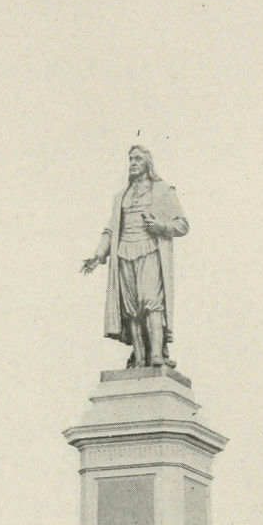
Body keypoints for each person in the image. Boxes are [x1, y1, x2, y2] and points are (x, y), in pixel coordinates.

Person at [81, 145, 189, 369]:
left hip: (149, 250)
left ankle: (157, 355)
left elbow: (182, 224)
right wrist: (98, 255)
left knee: (151, 304)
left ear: (148, 163)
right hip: (124, 254)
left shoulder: (162, 191)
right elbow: (111, 229)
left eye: (138, 159)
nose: (132, 163)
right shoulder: (122, 196)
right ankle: (139, 358)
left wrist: (161, 226)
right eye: (130, 159)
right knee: (131, 309)